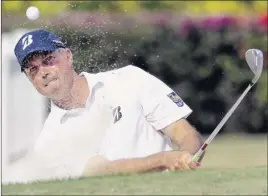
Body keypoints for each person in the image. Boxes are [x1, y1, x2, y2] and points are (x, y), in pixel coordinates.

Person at [7, 29, 205, 183]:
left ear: (68, 56)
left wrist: (186, 155)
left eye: (48, 60)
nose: (43, 72)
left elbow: (184, 132)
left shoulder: (130, 78)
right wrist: (164, 160)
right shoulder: (48, 142)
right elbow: (100, 171)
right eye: (33, 69)